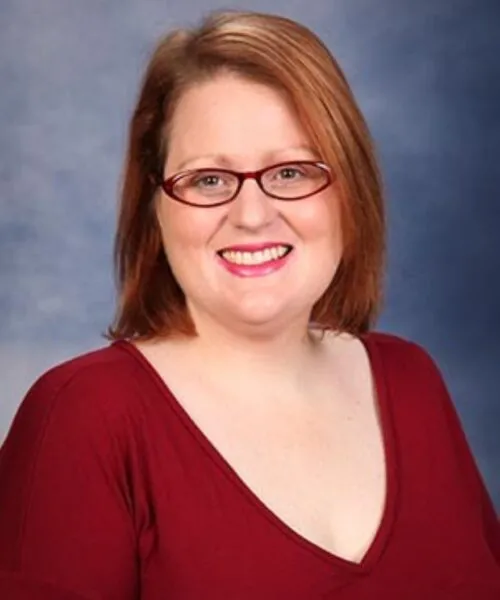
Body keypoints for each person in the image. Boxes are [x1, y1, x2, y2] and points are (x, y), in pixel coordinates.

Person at [0, 9, 499, 599]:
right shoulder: (83, 418)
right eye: (208, 179)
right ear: (153, 207)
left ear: (350, 191)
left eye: (291, 171)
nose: (253, 215)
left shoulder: (412, 380)